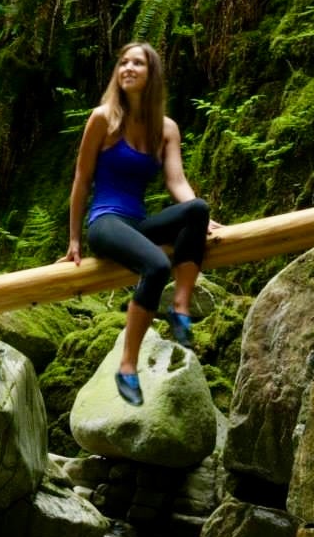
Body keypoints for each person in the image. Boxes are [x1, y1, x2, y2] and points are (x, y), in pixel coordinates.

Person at [65, 41, 223, 406]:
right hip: (106, 222)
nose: (128, 68)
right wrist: (73, 240)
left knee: (196, 210)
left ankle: (180, 309)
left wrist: (205, 219)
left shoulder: (166, 129)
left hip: (137, 225)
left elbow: (177, 182)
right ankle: (127, 365)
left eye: (138, 63)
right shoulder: (102, 118)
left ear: (152, 75)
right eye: (123, 63)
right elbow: (81, 180)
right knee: (154, 264)